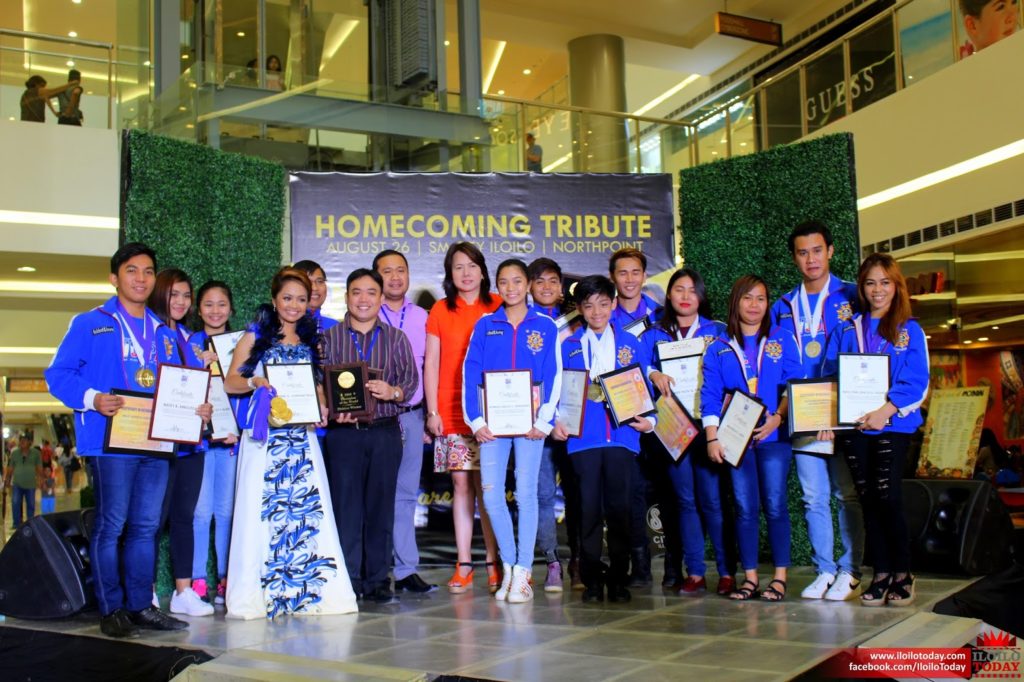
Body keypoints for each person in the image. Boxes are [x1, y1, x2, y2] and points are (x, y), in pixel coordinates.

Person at [45, 242, 192, 638]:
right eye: (131, 270)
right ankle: (111, 610)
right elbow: (57, 374)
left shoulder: (163, 333)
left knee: (146, 526)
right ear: (114, 278)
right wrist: (92, 398)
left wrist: (195, 407)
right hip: (109, 442)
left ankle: (141, 606)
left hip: (155, 442)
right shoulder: (89, 323)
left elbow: (178, 384)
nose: (141, 278)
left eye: (148, 271)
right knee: (112, 524)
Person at [223, 267, 357, 619]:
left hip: (301, 439)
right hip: (264, 441)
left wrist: (322, 406)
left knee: (305, 509)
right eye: (287, 298)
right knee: (263, 510)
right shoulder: (255, 335)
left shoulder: (312, 340)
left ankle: (308, 589)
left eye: (300, 299)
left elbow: (316, 386)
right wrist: (255, 383)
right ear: (274, 300)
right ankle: (263, 593)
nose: (294, 305)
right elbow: (231, 381)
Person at [821, 253, 929, 607]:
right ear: (862, 288)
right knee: (868, 500)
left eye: (885, 282)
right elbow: (832, 377)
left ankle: (903, 572)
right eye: (870, 283)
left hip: (892, 426)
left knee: (888, 497)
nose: (877, 290)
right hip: (855, 427)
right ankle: (880, 572)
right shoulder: (847, 329)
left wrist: (886, 410)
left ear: (897, 287)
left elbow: (917, 379)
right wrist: (829, 418)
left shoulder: (909, 330)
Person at [770, 221, 865, 601]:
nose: (811, 259)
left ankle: (851, 570)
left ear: (830, 251)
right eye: (802, 252)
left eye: (817, 250)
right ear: (794, 258)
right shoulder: (783, 306)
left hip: (844, 413)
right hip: (805, 413)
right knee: (813, 496)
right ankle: (824, 570)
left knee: (846, 495)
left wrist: (838, 415)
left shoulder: (853, 295)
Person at [463, 259, 561, 603]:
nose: (511, 288)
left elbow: (554, 373)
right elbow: (470, 372)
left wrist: (544, 420)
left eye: (517, 281)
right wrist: (476, 420)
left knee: (525, 494)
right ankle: (508, 566)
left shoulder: (546, 326)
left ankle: (524, 573)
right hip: (493, 424)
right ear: (497, 286)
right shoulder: (485, 325)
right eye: (504, 282)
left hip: (530, 425)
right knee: (491, 496)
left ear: (528, 284)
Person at [553, 275, 655, 603]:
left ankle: (619, 579)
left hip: (623, 437)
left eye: (602, 303)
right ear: (580, 309)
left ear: (612, 304)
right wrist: (555, 422)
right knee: (588, 511)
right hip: (583, 440)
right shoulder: (569, 346)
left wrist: (650, 420)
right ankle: (592, 580)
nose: (596, 311)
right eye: (588, 305)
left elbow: (644, 386)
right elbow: (556, 392)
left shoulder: (630, 343)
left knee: (620, 510)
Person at [701, 275, 802, 602]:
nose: (755, 305)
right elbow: (710, 396)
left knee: (775, 504)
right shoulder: (718, 347)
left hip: (774, 438)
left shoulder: (782, 338)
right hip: (736, 440)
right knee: (745, 508)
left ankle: (780, 578)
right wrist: (712, 438)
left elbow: (794, 383)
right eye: (747, 298)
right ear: (736, 302)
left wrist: (778, 418)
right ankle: (751, 578)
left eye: (761, 298)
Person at [322, 268, 418, 603]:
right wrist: (329, 407)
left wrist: (393, 392)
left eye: (371, 292)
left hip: (384, 433)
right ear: (347, 296)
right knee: (345, 508)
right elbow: (319, 384)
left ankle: (377, 579)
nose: (363, 299)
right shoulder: (329, 339)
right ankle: (347, 579)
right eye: (356, 292)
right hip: (343, 434)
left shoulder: (396, 338)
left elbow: (410, 383)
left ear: (381, 298)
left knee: (381, 507)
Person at [642, 267, 735, 596]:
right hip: (673, 426)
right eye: (679, 290)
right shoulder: (654, 333)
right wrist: (653, 373)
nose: (685, 296)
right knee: (685, 501)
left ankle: (726, 571)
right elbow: (637, 365)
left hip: (708, 425)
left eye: (692, 290)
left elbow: (731, 373)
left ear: (701, 296)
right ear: (669, 295)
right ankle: (694, 572)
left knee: (711, 500)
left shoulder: (717, 331)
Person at [425, 242, 503, 594]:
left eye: (472, 266)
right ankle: (464, 563)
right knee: (460, 485)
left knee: (489, 488)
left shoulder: (498, 305)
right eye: (458, 267)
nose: (466, 273)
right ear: (449, 274)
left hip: (492, 413)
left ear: (483, 271)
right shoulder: (441, 309)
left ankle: (494, 561)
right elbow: (431, 363)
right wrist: (433, 410)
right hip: (453, 411)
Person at [148, 268, 215, 618]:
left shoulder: (193, 340)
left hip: (191, 443)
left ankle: (183, 592)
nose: (181, 301)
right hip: (157, 443)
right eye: (174, 294)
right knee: (151, 519)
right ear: (160, 294)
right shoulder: (148, 334)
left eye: (186, 295)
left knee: (184, 517)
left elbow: (199, 390)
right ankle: (145, 592)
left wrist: (205, 409)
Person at [373, 249, 435, 594]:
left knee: (407, 494)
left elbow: (430, 368)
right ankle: (375, 568)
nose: (395, 277)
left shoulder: (423, 317)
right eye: (387, 271)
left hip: (411, 415)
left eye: (401, 270)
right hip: (376, 419)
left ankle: (406, 569)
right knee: (375, 493)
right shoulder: (366, 313)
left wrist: (428, 415)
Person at [527, 257, 582, 591]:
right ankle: (552, 562)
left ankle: (579, 560)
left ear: (562, 286)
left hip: (574, 420)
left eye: (552, 281)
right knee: (543, 494)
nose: (546, 287)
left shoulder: (578, 320)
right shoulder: (524, 321)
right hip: (537, 422)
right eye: (539, 281)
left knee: (577, 492)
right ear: (529, 286)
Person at [608, 247, 662, 586]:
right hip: (623, 418)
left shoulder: (661, 315)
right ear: (613, 277)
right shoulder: (603, 315)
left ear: (644, 275)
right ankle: (637, 565)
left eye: (635, 272)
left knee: (667, 491)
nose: (629, 279)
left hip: (665, 417)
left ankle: (674, 568)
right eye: (622, 272)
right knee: (630, 493)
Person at [190, 281, 240, 607]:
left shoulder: (239, 346)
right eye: (208, 304)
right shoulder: (189, 344)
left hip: (230, 442)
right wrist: (198, 365)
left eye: (222, 304)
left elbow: (248, 393)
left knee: (226, 512)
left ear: (231, 308)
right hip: (200, 443)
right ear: (199, 309)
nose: (215, 311)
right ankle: (197, 580)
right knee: (200, 513)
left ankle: (225, 579)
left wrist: (238, 428)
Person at [4, 434, 43, 529]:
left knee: (31, 504)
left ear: (30, 442)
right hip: (17, 483)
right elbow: (10, 468)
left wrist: (40, 479)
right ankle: (16, 523)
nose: (22, 442)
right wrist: (7, 479)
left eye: (24, 440)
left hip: (30, 484)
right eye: (21, 440)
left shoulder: (36, 453)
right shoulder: (14, 453)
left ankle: (30, 523)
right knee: (15, 502)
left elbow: (39, 468)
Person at [292, 260, 339, 335]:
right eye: (307, 282)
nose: (314, 288)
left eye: (320, 281)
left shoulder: (335, 328)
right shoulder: (283, 326)